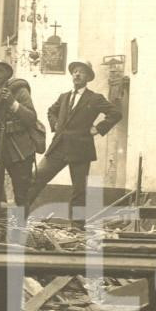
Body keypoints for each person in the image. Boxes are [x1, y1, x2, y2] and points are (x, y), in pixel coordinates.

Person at [26, 59, 122, 224]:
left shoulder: (95, 98)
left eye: (81, 72)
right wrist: (55, 123)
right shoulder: (64, 97)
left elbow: (115, 113)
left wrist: (98, 128)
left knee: (79, 190)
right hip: (58, 147)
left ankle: (77, 226)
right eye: (75, 71)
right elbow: (51, 111)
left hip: (80, 150)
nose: (77, 74)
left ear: (88, 77)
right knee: (35, 179)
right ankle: (18, 216)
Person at [0, 64, 46, 208]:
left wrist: (13, 104)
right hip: (0, 146)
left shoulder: (20, 91)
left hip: (20, 148)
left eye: (0, 71)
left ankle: (20, 227)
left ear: (8, 73)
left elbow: (31, 118)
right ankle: (0, 204)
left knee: (21, 193)